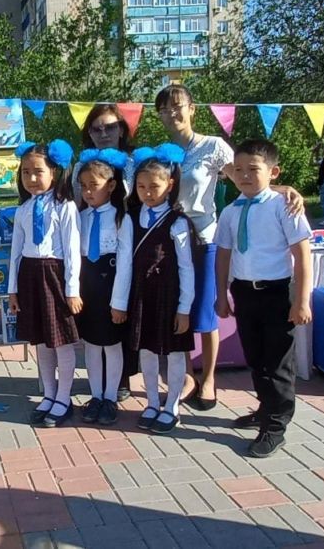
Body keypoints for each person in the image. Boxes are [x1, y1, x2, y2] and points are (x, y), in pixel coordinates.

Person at [155, 84, 303, 412]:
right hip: (171, 243)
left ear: (192, 109)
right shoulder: (161, 152)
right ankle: (186, 377)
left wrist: (283, 188)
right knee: (177, 309)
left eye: (177, 106)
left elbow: (246, 179)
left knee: (205, 312)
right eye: (164, 109)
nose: (172, 113)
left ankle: (209, 379)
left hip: (205, 239)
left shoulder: (213, 146)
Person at [215, 139, 313, 458]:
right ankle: (265, 407)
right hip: (245, 292)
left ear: (273, 172)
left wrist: (301, 300)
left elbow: (302, 255)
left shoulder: (284, 206)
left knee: (278, 362)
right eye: (238, 169)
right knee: (256, 357)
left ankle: (275, 426)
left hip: (277, 293)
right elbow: (223, 255)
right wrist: (222, 295)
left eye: (253, 169)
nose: (244, 175)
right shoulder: (230, 211)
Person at [8, 140, 82, 428]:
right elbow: (16, 252)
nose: (31, 178)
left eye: (38, 171)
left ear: (54, 171)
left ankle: (64, 397)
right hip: (30, 276)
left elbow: (73, 251)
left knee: (60, 340)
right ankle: (49, 394)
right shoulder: (23, 210)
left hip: (54, 275)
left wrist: (72, 290)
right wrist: (13, 289)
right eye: (25, 172)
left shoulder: (65, 207)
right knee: (41, 340)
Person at [127, 144, 196, 435]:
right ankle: (153, 402)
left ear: (170, 184)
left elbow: (187, 268)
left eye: (154, 186)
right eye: (141, 186)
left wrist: (184, 308)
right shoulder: (133, 218)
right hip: (144, 296)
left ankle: (172, 406)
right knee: (147, 350)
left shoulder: (177, 222)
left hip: (170, 296)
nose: (147, 192)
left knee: (175, 353)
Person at [73, 149, 132, 427]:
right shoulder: (81, 216)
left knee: (112, 344)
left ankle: (110, 397)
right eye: (83, 186)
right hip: (88, 287)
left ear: (110, 186)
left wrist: (119, 302)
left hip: (111, 286)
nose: (87, 192)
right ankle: (95, 395)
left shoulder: (122, 218)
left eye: (93, 185)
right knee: (92, 344)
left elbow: (125, 263)